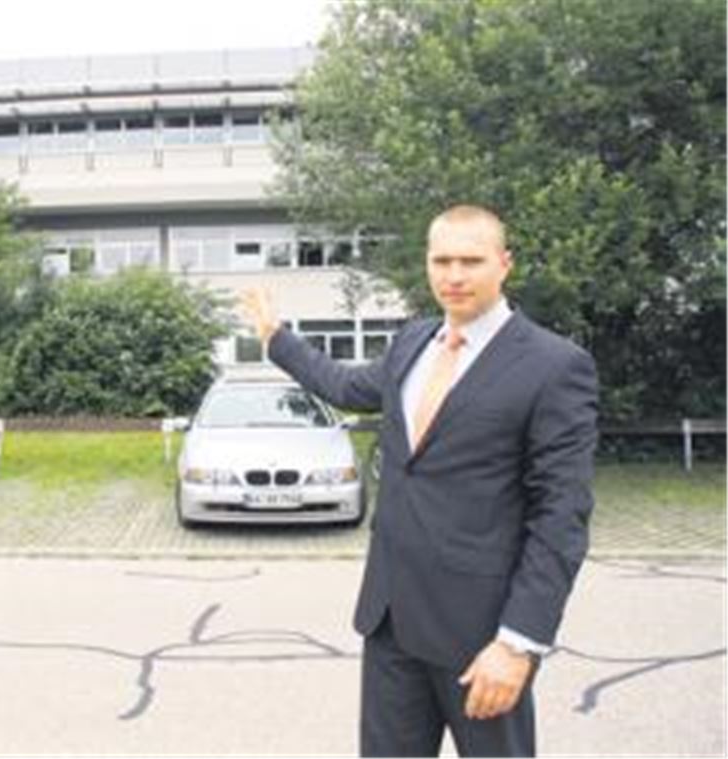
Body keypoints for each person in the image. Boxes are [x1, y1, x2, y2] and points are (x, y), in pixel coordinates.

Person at [241, 205, 598, 757]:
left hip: (480, 634)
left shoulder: (554, 366)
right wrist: (275, 339)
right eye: (442, 260)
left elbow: (561, 516)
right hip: (391, 619)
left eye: (471, 261)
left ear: (504, 264)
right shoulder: (414, 342)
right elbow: (345, 385)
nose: (454, 275)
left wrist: (518, 643)